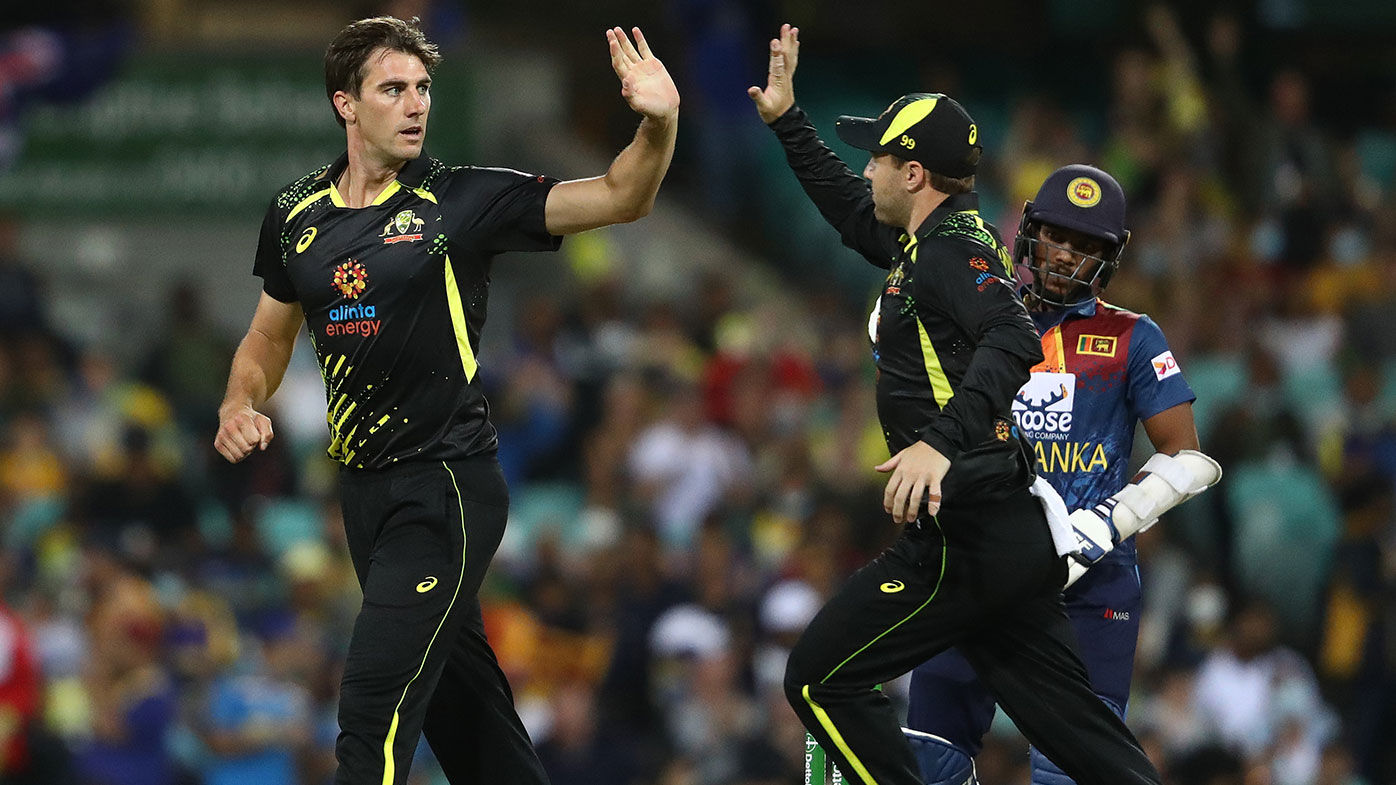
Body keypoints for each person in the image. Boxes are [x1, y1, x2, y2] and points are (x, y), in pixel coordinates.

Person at [212, 16, 678, 785]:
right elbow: (268, 337)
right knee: (470, 721)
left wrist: (657, 124)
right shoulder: (295, 212)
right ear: (346, 104)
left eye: (423, 88)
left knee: (372, 700)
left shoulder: (460, 200)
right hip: (364, 495)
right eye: (393, 89)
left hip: (447, 485)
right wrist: (239, 401)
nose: (415, 104)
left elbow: (624, 196)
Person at [748, 24, 1161, 785]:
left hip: (963, 533)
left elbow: (1013, 339)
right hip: (1004, 536)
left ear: (913, 173)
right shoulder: (931, 240)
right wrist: (787, 122)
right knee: (1090, 746)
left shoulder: (950, 253)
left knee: (819, 675)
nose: (865, 167)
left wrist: (940, 442)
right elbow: (849, 211)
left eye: (877, 155)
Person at [903, 164, 1202, 785]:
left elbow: (1185, 458)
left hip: (1092, 585)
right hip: (978, 565)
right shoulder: (976, 318)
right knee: (930, 759)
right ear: (1029, 232)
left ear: (1110, 256)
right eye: (1057, 236)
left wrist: (1108, 524)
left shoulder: (1134, 338)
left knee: (1072, 772)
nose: (1066, 254)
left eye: (1086, 245)